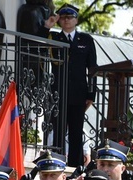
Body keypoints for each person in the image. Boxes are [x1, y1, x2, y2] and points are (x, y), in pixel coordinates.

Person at [50, 4, 97, 167]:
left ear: (76, 20)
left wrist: (91, 95)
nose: (66, 21)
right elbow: (38, 44)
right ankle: (56, 161)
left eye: (69, 17)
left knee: (76, 132)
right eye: (62, 18)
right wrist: (48, 25)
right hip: (58, 91)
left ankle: (74, 166)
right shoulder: (53, 38)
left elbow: (92, 68)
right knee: (58, 131)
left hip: (78, 93)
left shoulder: (86, 39)